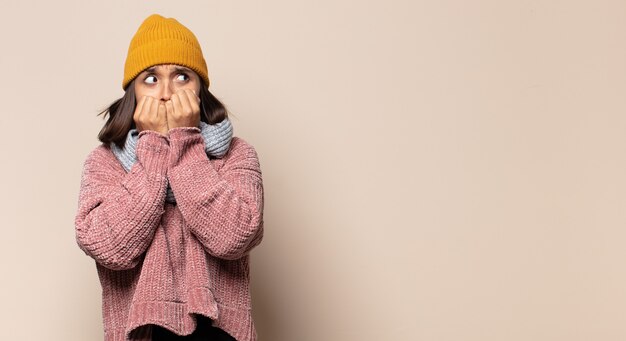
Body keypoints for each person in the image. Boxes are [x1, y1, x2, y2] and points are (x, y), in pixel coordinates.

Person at [74, 14, 264, 341]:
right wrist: (153, 149)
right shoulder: (104, 163)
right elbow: (109, 247)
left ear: (200, 90)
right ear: (132, 93)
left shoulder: (237, 155)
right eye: (150, 79)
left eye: (181, 77)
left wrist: (185, 141)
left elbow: (234, 237)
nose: (166, 92)